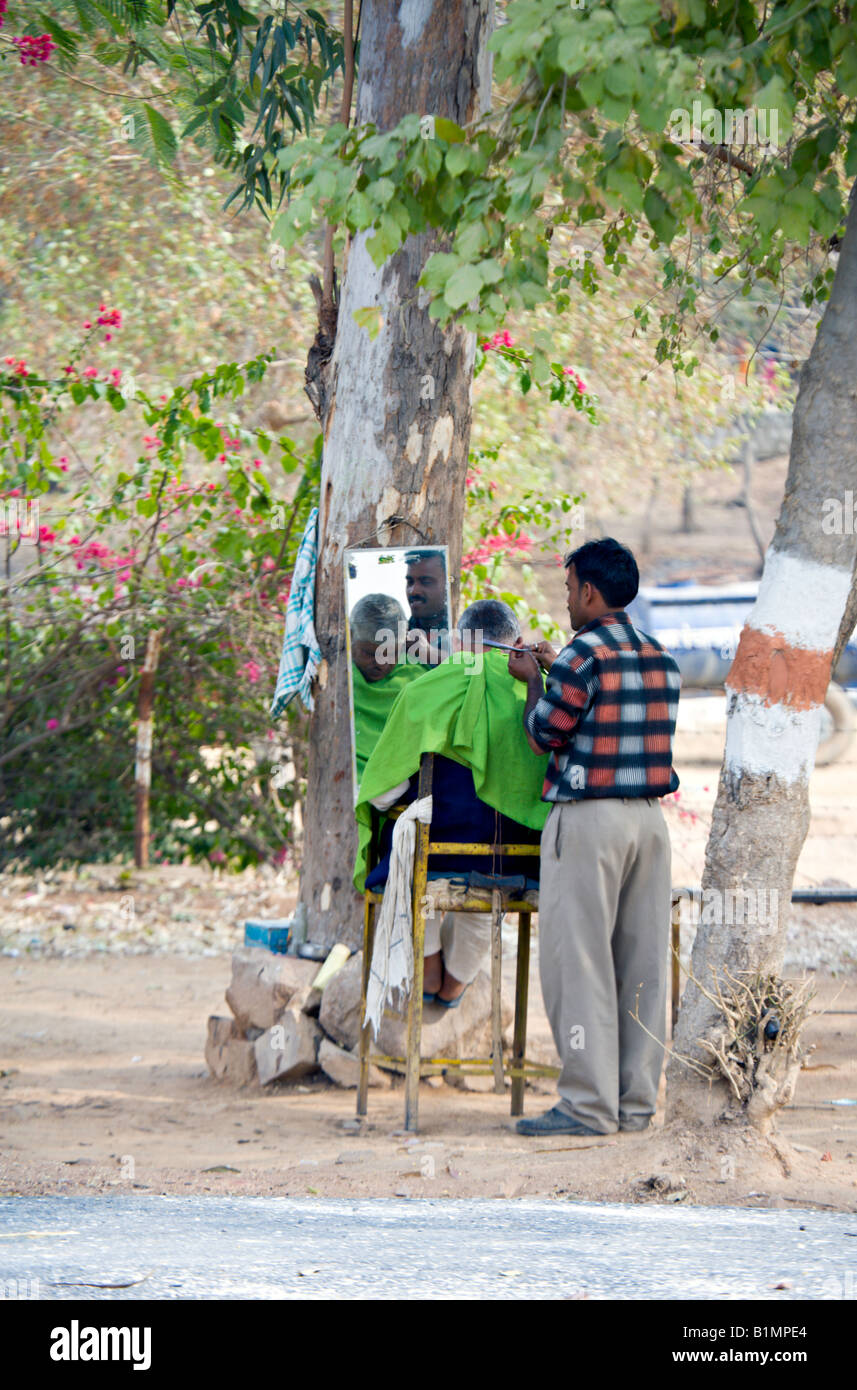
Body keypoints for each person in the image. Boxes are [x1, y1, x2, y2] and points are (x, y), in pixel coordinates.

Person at [508, 538, 681, 1137]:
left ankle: (586, 1105)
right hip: (649, 825)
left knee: (578, 962)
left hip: (589, 821)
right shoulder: (660, 655)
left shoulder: (582, 655)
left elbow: (544, 734)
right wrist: (558, 667)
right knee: (642, 965)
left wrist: (533, 680)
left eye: (568, 589)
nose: (566, 602)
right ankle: (635, 1105)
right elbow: (610, 711)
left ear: (588, 591)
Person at [354, 599, 547, 1006]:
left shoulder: (427, 689)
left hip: (435, 857)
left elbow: (384, 793)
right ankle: (454, 988)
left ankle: (429, 980)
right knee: (485, 882)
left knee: (403, 844)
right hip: (521, 861)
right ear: (516, 644)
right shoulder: (541, 690)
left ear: (458, 641)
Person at [349, 593, 426, 783]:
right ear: (350, 637)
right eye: (369, 653)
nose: (380, 664)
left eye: (390, 653)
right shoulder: (335, 677)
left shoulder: (416, 679)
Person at [404, 549, 450, 661]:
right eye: (410, 582)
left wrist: (429, 653)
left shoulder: (465, 632)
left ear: (447, 585)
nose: (413, 591)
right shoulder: (397, 634)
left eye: (426, 582)